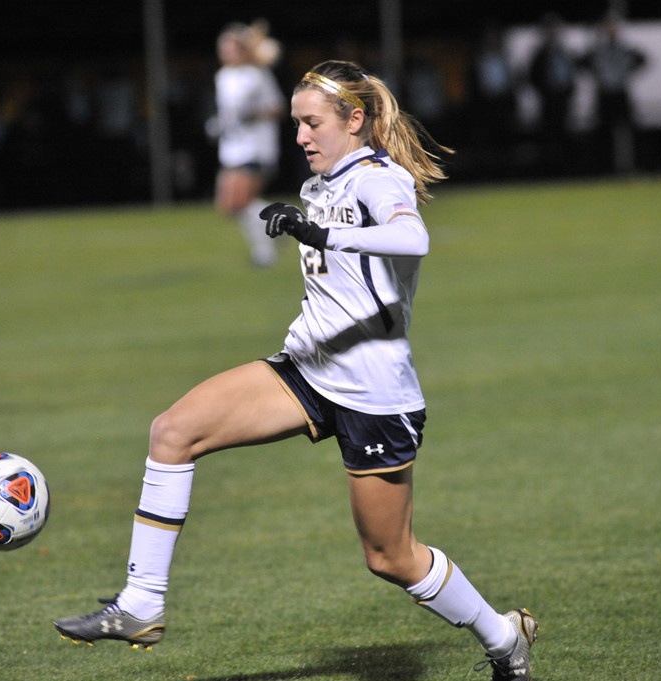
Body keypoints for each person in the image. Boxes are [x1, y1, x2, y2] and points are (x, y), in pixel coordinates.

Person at [53, 59, 539, 681]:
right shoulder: (320, 186)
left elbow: (412, 239)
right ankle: (141, 604)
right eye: (296, 125)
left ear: (355, 120)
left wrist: (324, 234)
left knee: (390, 557)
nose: (302, 137)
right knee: (172, 432)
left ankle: (504, 639)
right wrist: (317, 225)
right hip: (307, 369)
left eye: (312, 124)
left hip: (374, 396)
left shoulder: (377, 179)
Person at [206, 21, 286, 267]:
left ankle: (264, 253)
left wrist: (253, 114)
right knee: (227, 206)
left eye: (230, 48)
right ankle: (280, 223)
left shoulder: (258, 75)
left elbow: (278, 108)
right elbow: (229, 111)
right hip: (232, 147)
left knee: (240, 202)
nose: (225, 52)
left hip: (256, 146)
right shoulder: (223, 77)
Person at [579, 13, 647, 174]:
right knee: (603, 132)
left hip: (620, 92)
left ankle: (631, 165)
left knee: (627, 130)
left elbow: (642, 60)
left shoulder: (624, 49)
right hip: (605, 93)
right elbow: (583, 62)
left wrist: (627, 72)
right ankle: (604, 168)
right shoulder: (598, 51)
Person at [527, 12, 577, 174]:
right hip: (548, 100)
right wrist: (544, 92)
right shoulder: (540, 53)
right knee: (549, 134)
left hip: (563, 99)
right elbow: (533, 76)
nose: (554, 32)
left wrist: (568, 91)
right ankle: (549, 169)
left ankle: (566, 168)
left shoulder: (564, 51)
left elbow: (571, 75)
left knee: (565, 132)